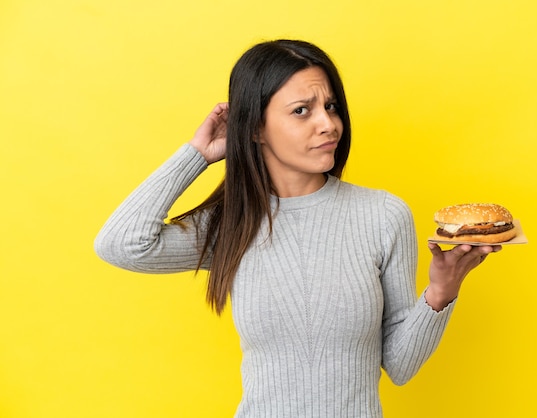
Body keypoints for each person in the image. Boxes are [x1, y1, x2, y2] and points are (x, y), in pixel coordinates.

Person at [95, 39, 501, 417]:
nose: (328, 124)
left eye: (332, 106)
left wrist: (441, 294)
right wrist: (197, 154)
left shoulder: (383, 215)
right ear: (254, 127)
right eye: (302, 110)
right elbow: (122, 244)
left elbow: (399, 366)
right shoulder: (232, 224)